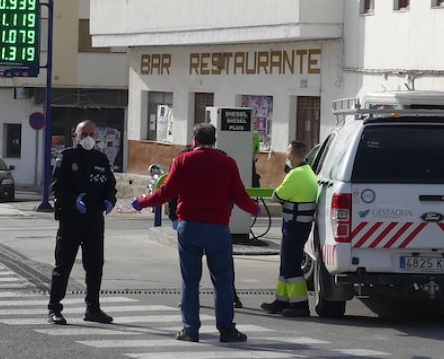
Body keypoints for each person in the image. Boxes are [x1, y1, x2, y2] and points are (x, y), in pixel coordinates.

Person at [133, 122, 260, 343]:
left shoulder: (182, 160)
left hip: (189, 226)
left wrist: (141, 203)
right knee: (222, 280)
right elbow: (240, 196)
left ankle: (190, 330)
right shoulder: (228, 163)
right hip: (218, 228)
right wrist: (255, 208)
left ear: (195, 140)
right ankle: (227, 330)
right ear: (214, 140)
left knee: (190, 281)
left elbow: (166, 192)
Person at [156, 146, 244, 309]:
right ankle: (230, 300)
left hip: (192, 222)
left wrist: (175, 217)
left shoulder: (183, 158)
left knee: (190, 268)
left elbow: (171, 190)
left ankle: (190, 301)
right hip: (215, 221)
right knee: (222, 267)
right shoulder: (221, 158)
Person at [47, 120, 117, 325]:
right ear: (76, 135)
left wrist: (109, 200)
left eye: (92, 135)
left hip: (94, 220)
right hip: (71, 219)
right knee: (63, 265)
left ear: (97, 137)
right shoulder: (67, 157)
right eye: (83, 134)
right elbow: (57, 186)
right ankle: (54, 309)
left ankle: (93, 308)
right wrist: (72, 201)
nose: (88, 138)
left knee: (95, 266)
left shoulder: (101, 158)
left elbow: (110, 185)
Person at [260, 140, 318, 317]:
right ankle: (281, 300)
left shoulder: (296, 174)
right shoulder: (308, 171)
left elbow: (277, 195)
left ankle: (300, 305)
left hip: (294, 225)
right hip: (300, 224)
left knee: (291, 264)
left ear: (293, 155)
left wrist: (278, 193)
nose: (286, 156)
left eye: (287, 154)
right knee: (286, 262)